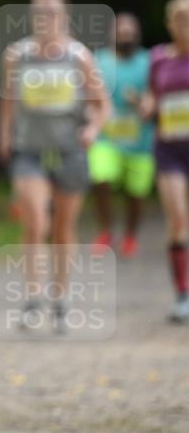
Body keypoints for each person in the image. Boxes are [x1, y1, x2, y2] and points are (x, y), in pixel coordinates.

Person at [0, 0, 110, 332]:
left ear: (64, 15)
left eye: (52, 13)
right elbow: (9, 100)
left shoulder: (78, 57)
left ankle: (60, 298)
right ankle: (32, 298)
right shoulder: (17, 54)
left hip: (69, 150)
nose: (45, 19)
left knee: (63, 228)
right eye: (39, 13)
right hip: (30, 150)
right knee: (35, 223)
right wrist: (4, 135)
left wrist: (92, 128)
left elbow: (101, 103)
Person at [88, 13, 155, 257]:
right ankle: (106, 230)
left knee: (136, 193)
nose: (125, 35)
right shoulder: (99, 61)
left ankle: (130, 235)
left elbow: (155, 96)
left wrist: (143, 103)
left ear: (137, 35)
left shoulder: (149, 62)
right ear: (112, 35)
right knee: (101, 176)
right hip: (107, 138)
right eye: (121, 31)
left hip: (140, 141)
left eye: (130, 31)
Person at [140, 0, 189, 323]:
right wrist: (147, 106)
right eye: (180, 19)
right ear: (170, 23)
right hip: (170, 149)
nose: (186, 25)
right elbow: (152, 97)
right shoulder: (158, 58)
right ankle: (183, 294)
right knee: (177, 220)